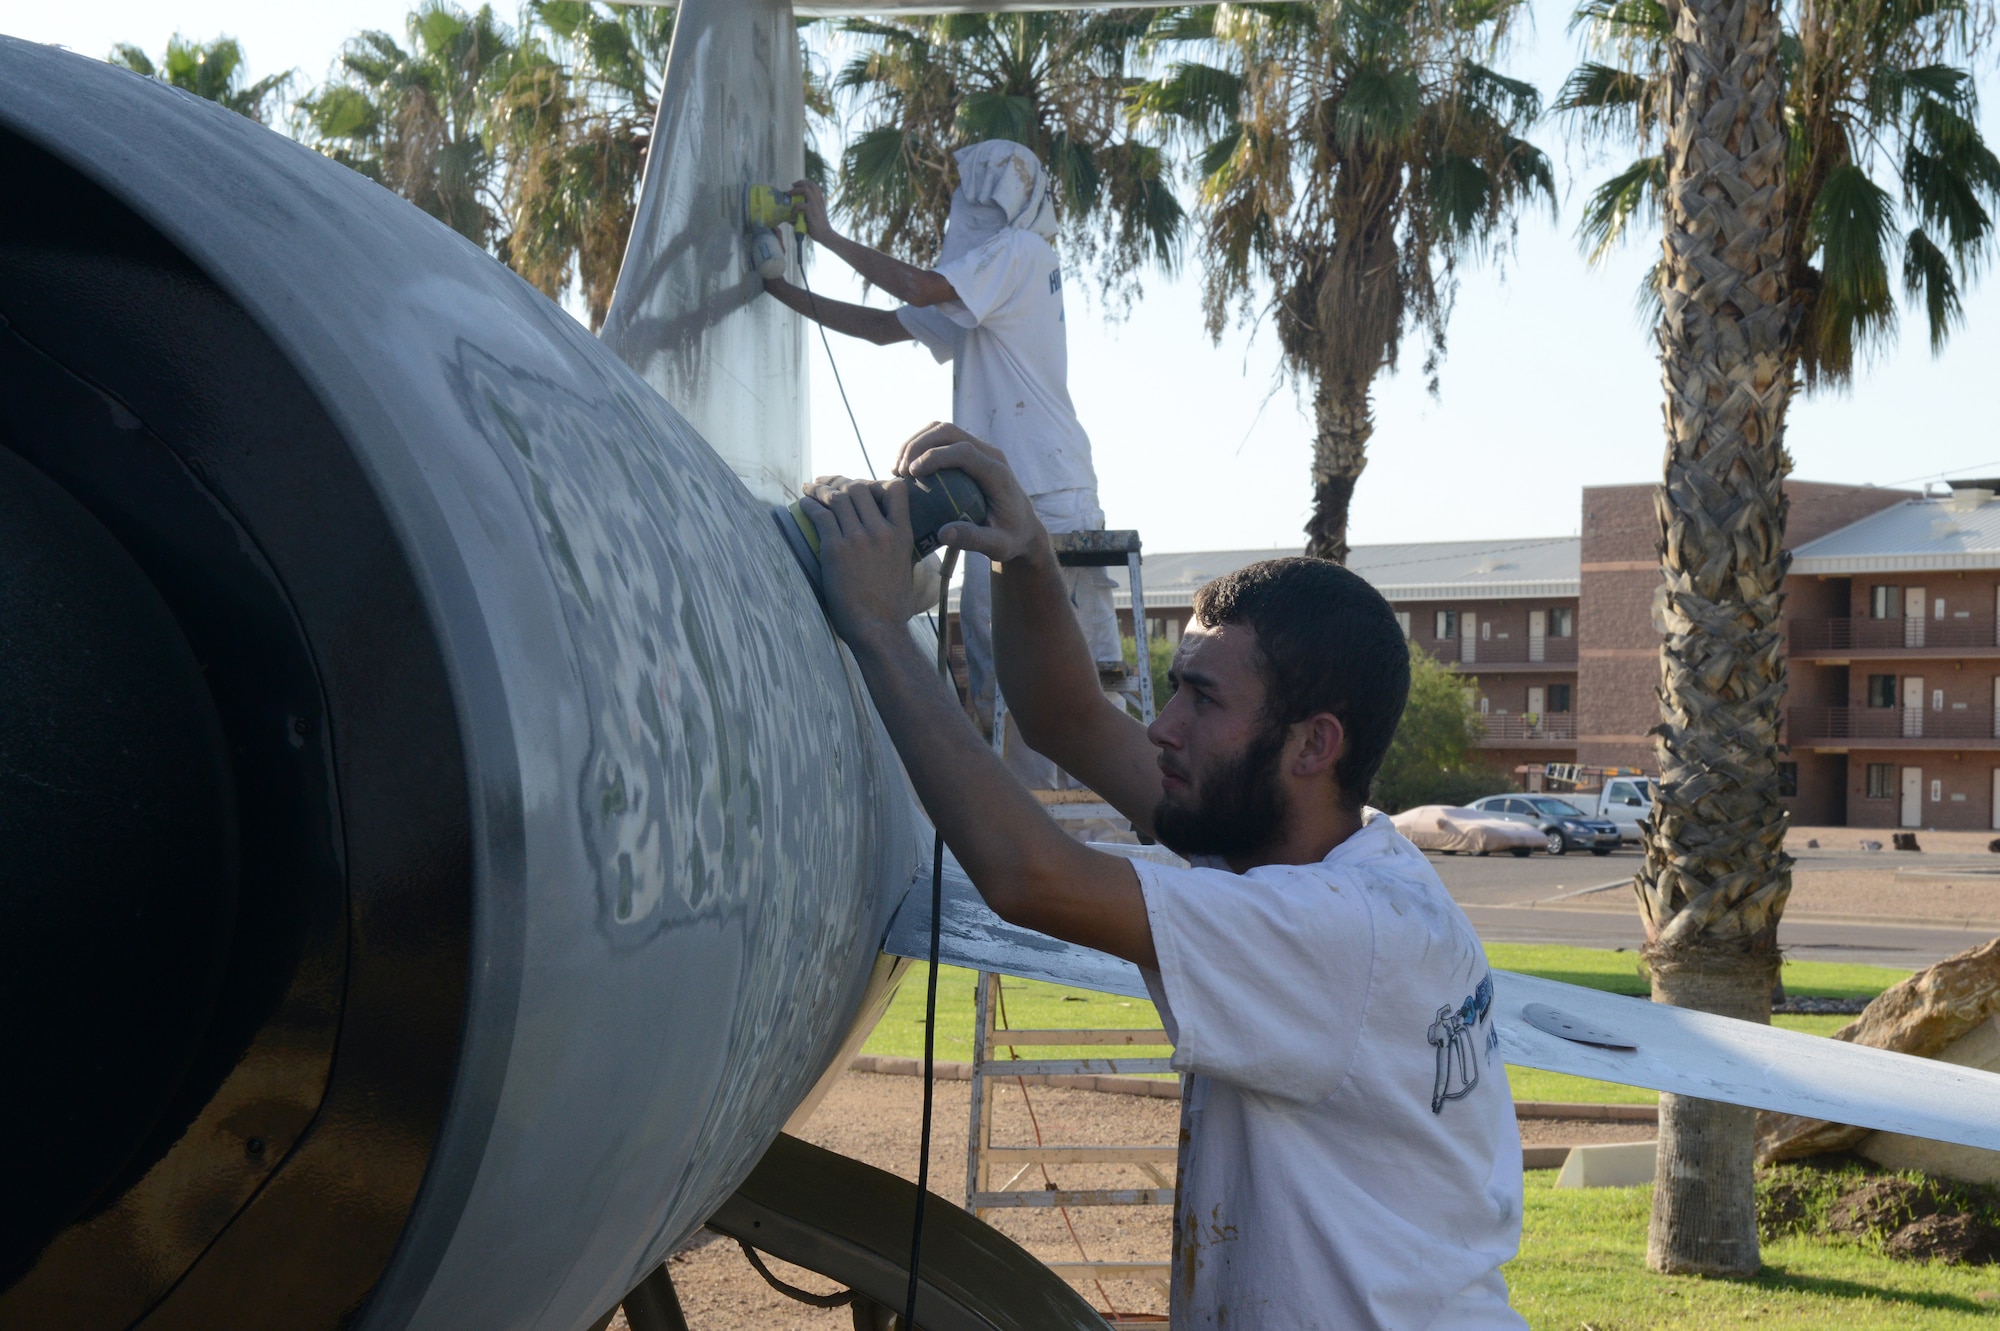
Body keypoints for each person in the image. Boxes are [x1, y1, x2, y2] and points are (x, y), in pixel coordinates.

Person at [796, 423, 1526, 1330]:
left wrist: (873, 626)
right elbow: (1066, 716)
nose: (1163, 726)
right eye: (1175, 685)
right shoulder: (1288, 842)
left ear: (1314, 743)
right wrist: (1026, 554)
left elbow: (1030, 875)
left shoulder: (1344, 929)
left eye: (1203, 697)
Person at [762, 141, 1121, 782]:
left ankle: (1066, 828)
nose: (965, 214)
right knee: (1012, 665)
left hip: (1041, 489)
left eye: (974, 201)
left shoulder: (1018, 254)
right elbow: (881, 327)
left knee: (1037, 670)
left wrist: (826, 234)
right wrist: (778, 288)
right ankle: (1058, 821)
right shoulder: (994, 285)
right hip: (1030, 486)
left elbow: (918, 286)